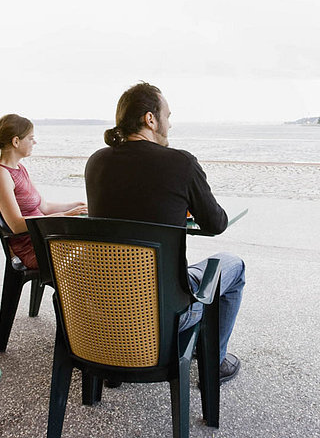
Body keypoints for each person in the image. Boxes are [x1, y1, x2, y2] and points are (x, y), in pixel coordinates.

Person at [85, 82, 245, 384]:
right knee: (234, 266)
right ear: (150, 119)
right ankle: (214, 361)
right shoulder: (181, 163)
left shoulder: (96, 162)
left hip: (105, 311)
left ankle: (115, 367)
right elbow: (215, 223)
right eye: (167, 116)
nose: (169, 123)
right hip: (163, 317)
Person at [0, 114, 88, 269]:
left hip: (45, 239)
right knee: (95, 249)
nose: (35, 142)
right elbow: (16, 225)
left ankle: (75, 291)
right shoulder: (0, 175)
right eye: (31, 138)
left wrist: (76, 205)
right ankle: (71, 292)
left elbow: (44, 208)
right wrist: (65, 216)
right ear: (16, 141)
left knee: (99, 245)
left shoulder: (20, 169)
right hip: (34, 248)